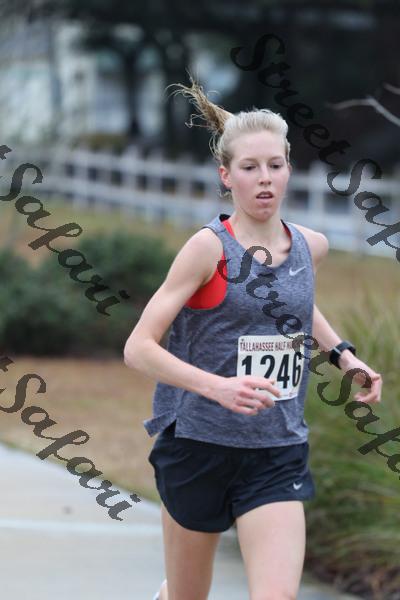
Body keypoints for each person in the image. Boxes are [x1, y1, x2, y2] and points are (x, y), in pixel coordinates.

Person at [123, 74, 383, 600]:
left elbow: (296, 305)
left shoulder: (311, 246)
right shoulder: (207, 249)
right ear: (226, 176)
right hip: (198, 445)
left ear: (288, 169)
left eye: (275, 165)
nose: (265, 179)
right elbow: (138, 348)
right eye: (249, 168)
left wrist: (343, 355)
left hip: (277, 449)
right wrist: (216, 387)